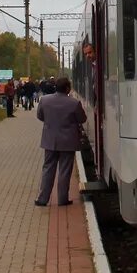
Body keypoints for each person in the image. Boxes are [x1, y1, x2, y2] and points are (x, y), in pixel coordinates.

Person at [35, 76, 86, 207]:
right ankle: (62, 199)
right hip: (68, 141)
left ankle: (42, 199)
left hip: (50, 140)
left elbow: (40, 116)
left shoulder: (44, 100)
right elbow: (82, 119)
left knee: (47, 169)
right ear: (68, 88)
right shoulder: (74, 103)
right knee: (64, 170)